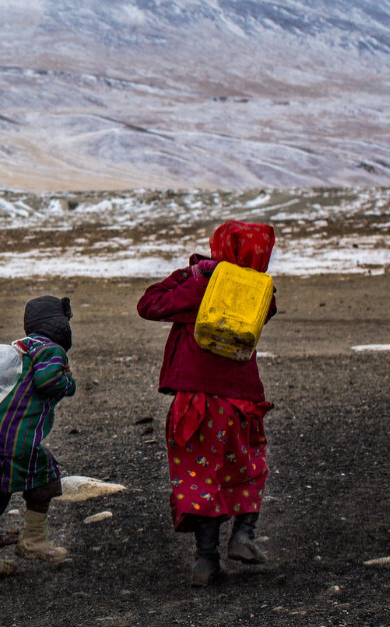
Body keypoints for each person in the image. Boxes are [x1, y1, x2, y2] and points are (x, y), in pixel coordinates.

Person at [136, 220, 277, 587]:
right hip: (243, 400)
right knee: (247, 465)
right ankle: (244, 533)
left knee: (201, 475)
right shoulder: (262, 291)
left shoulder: (202, 285)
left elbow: (148, 304)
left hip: (196, 400)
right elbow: (268, 309)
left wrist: (190, 274)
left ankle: (206, 560)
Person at [0, 295, 77, 581]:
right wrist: (68, 382)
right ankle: (15, 546)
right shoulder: (52, 350)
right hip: (13, 439)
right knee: (37, 483)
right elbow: (48, 381)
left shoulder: (18, 347)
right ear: (59, 323)